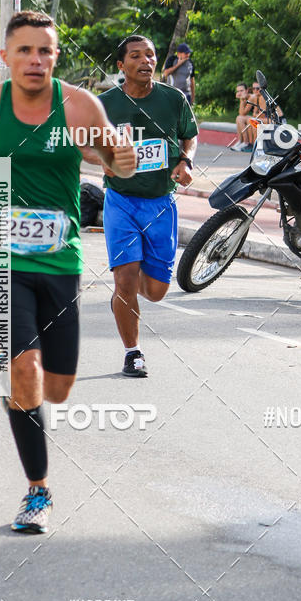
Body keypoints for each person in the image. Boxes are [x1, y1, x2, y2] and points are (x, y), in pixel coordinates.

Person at [0, 10, 137, 533]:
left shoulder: (77, 106)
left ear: (56, 57)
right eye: (23, 50)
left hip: (60, 257)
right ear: (4, 57)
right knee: (25, 368)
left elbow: (112, 157)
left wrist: (122, 158)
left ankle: (23, 384)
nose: (34, 60)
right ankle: (38, 491)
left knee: (60, 388)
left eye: (44, 50)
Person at [99, 34, 198, 377]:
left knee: (155, 292)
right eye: (137, 56)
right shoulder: (105, 104)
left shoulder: (173, 99)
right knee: (125, 281)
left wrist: (185, 160)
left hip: (160, 203)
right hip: (121, 202)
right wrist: (103, 159)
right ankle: (133, 353)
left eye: (151, 55)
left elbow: (190, 134)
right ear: (121, 65)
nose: (146, 61)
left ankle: (137, 269)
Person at [231, 81, 257, 152]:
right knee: (239, 118)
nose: (239, 93)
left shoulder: (251, 97)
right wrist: (242, 99)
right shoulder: (245, 98)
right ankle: (241, 141)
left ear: (247, 90)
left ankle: (245, 142)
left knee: (239, 118)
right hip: (255, 117)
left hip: (263, 118)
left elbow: (243, 113)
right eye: (238, 91)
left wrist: (241, 100)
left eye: (242, 91)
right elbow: (242, 113)